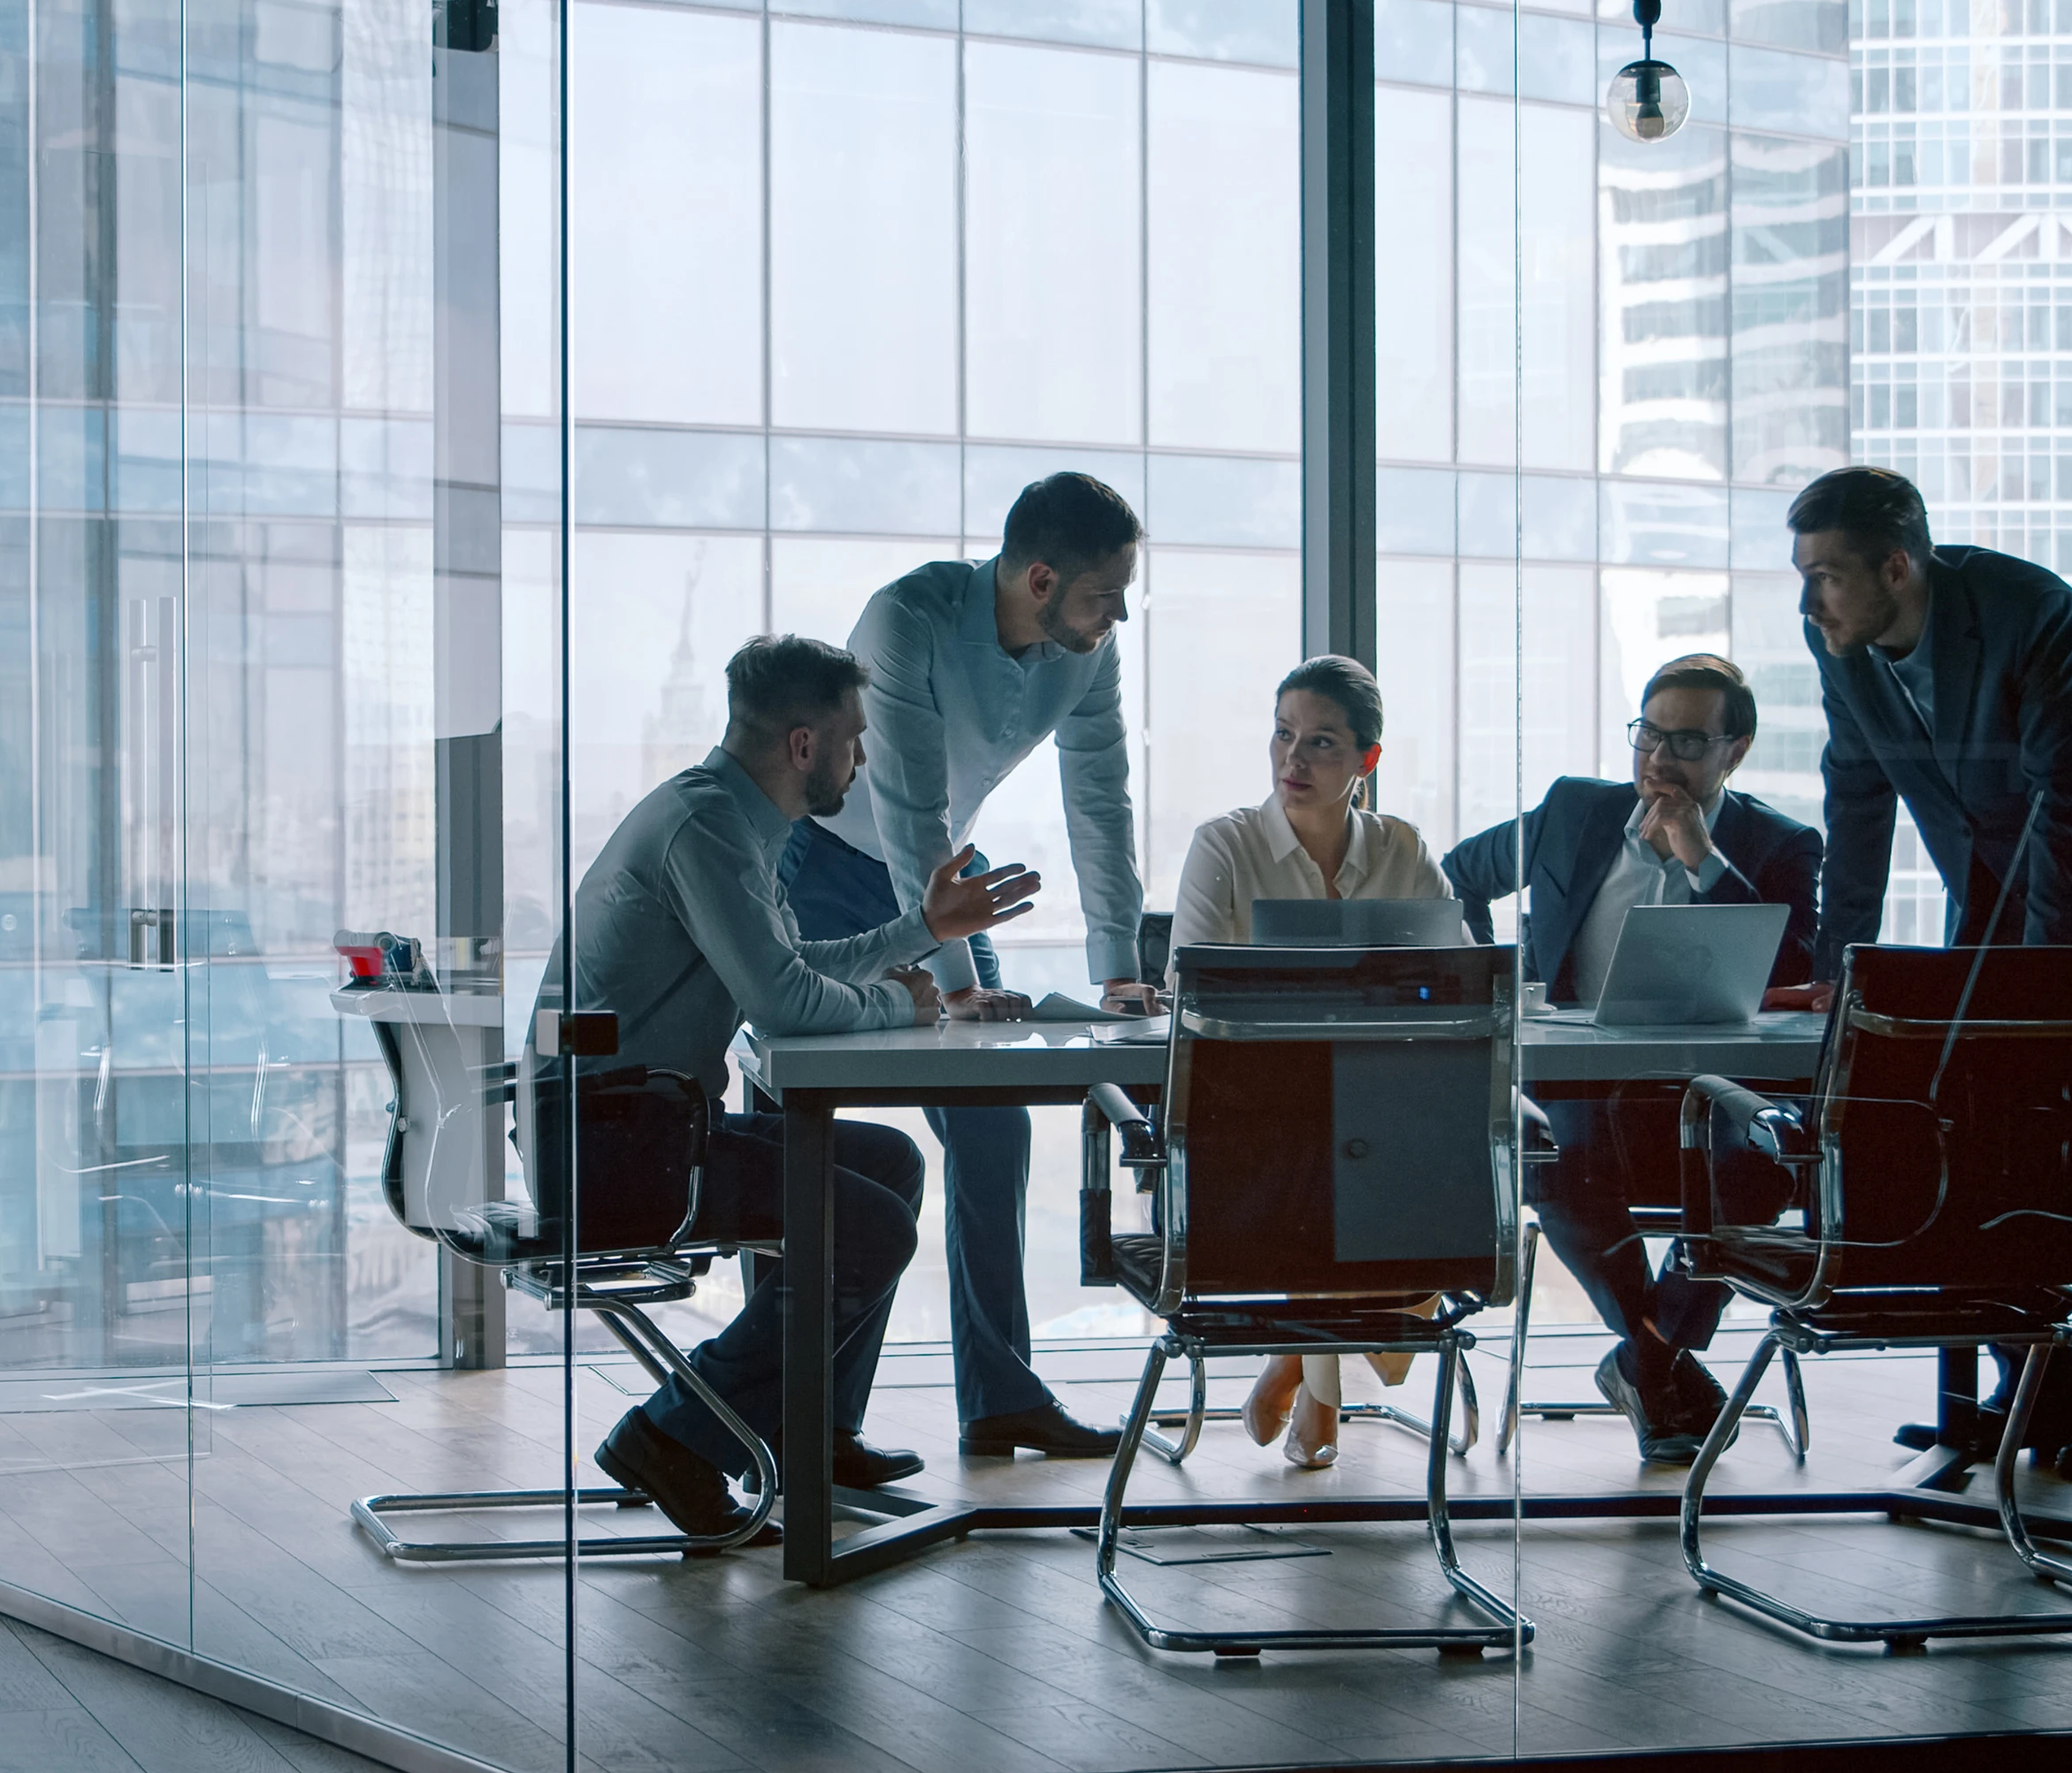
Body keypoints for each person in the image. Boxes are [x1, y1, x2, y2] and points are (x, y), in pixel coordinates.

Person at [1790, 465, 2072, 1480]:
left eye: (1824, 574)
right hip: (2003, 864)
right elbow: (1855, 806)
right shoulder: (1839, 644)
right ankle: (2032, 1386)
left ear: (1896, 565)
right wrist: (1839, 972)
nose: (1806, 597)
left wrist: (2050, 993)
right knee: (1973, 1113)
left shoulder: (2031, 612)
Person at [547, 636, 1044, 1536]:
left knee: (887, 1164)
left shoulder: (727, 821)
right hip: (611, 1145)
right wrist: (898, 1002)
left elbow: (791, 964)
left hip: (643, 1125)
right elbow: (781, 1001)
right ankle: (675, 1431)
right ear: (805, 746)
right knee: (867, 1226)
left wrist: (920, 927)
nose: (864, 762)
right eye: (855, 740)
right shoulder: (706, 830)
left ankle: (811, 1430)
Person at [780, 474, 1155, 1461]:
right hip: (824, 869)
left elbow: (1102, 800)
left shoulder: (1087, 655)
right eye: (1103, 593)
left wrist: (1117, 965)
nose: (1118, 613)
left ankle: (999, 1395)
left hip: (945, 877)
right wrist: (952, 982)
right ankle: (815, 1427)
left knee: (992, 1126)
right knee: (820, 1132)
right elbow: (906, 808)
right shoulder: (905, 620)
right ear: (1039, 577)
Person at [1440, 654, 1823, 1463]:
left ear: (1735, 751)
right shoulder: (1574, 811)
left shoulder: (1781, 844)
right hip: (1580, 1083)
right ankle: (1661, 1360)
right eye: (1648, 734)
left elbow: (1793, 968)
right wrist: (1505, 980)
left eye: (1686, 742)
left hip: (1710, 1093)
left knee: (1760, 1168)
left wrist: (1701, 859)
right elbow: (1458, 878)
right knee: (1559, 1159)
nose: (1658, 760)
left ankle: (1646, 1360)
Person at [1166, 655, 1451, 1469]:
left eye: (1321, 742)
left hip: (1375, 1114)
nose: (1293, 759)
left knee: (1393, 1154)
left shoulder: (1402, 849)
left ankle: (1298, 1360)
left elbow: (1459, 979)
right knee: (1341, 1158)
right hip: (1254, 1119)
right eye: (1283, 735)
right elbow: (1194, 990)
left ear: (1367, 762)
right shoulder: (1225, 845)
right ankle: (1319, 1389)